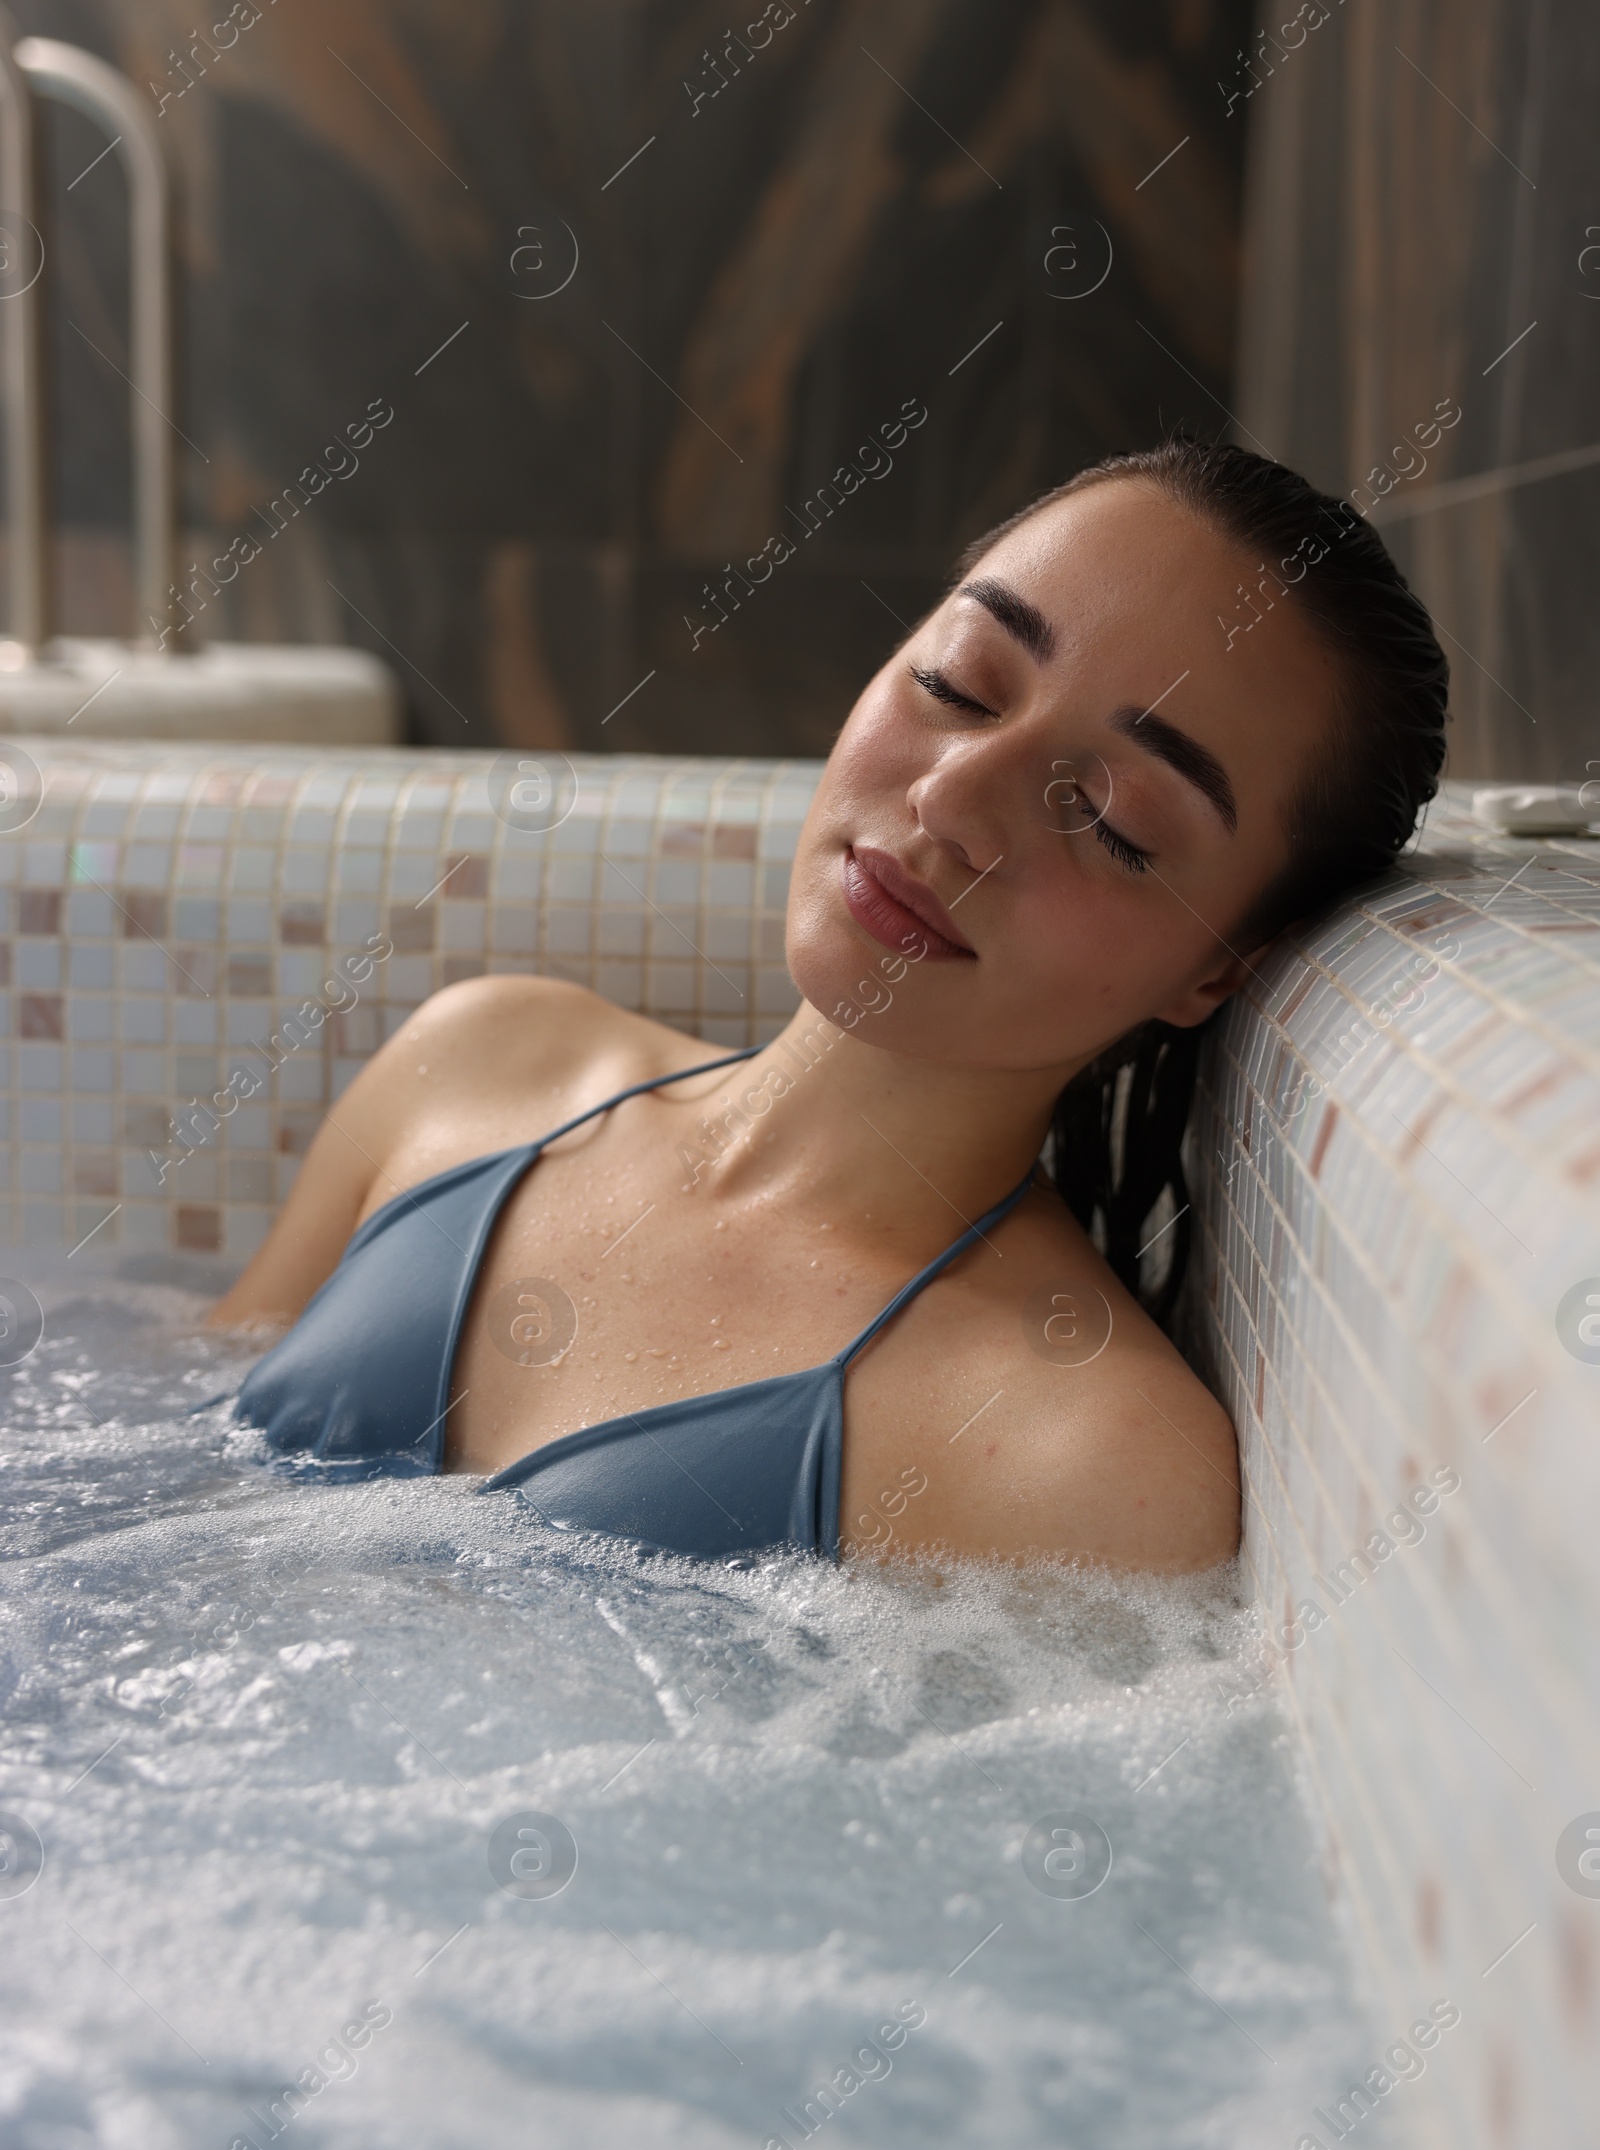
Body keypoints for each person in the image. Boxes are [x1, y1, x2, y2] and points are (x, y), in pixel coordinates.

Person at [210, 440, 1448, 1571]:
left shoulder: (1077, 1452)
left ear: (1218, 968)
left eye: (1113, 819)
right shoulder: (481, 1064)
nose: (956, 799)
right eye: (961, 682)